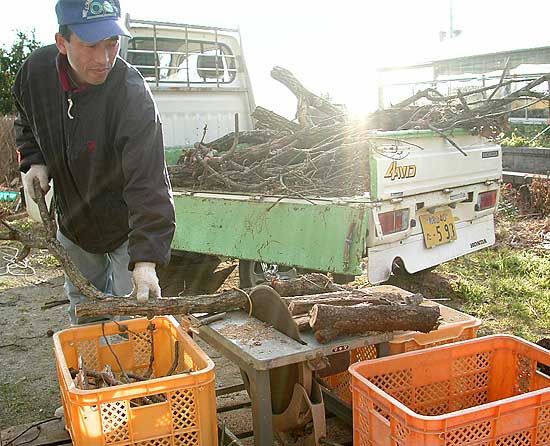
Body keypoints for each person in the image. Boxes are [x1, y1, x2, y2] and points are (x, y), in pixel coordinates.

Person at [13, 0, 176, 326]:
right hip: (74, 223)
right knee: (84, 308)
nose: (104, 59)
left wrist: (145, 259)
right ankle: (89, 370)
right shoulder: (35, 74)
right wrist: (35, 160)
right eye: (90, 46)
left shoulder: (132, 95)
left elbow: (149, 181)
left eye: (112, 43)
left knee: (134, 318)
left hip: (125, 228)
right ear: (62, 42)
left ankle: (135, 375)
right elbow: (25, 119)